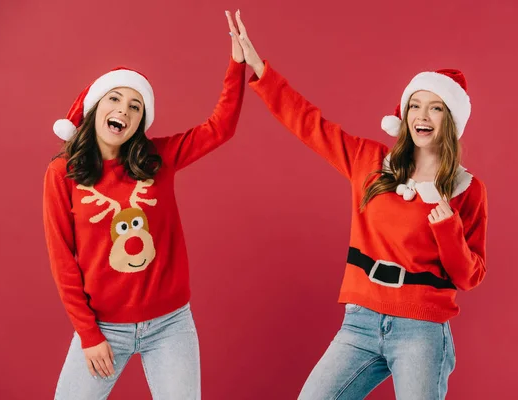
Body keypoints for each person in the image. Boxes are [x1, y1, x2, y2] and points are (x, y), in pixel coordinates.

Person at [225, 10, 487, 399]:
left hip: (422, 329)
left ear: (450, 120)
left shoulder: (467, 189)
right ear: (404, 113)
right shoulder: (369, 161)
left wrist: (447, 226)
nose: (422, 115)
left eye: (435, 107)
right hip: (361, 322)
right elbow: (310, 124)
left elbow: (469, 276)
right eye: (415, 105)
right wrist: (259, 68)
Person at [42, 29, 246, 399]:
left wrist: (237, 64)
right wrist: (89, 335)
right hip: (103, 328)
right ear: (96, 107)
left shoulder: (158, 159)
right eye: (115, 99)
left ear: (141, 121)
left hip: (170, 324)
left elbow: (220, 128)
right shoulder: (63, 173)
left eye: (135, 106)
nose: (123, 109)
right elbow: (62, 260)